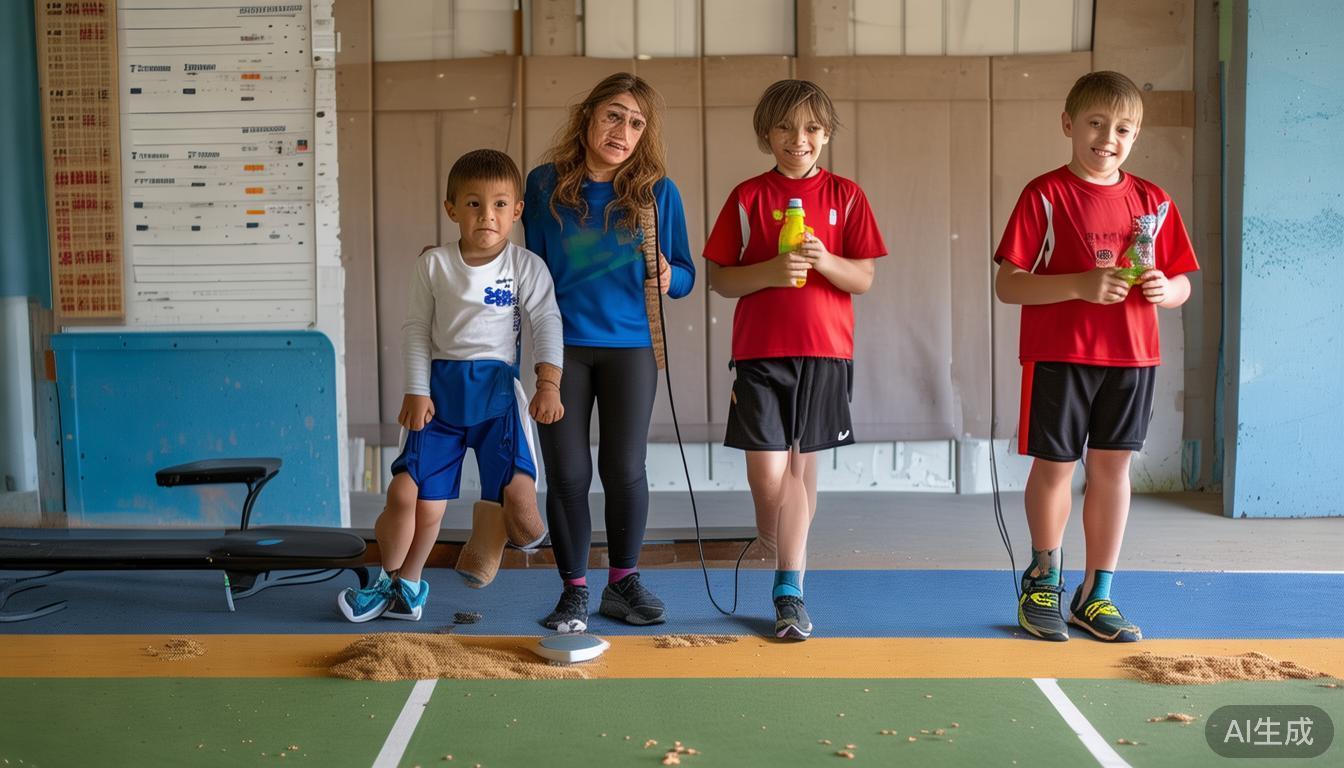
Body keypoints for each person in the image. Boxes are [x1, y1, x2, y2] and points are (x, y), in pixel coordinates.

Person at [994, 71, 1198, 643]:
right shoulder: (1046, 194)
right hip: (1059, 356)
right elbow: (1009, 285)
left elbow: (1182, 280)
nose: (1108, 137)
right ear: (1068, 124)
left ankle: (1097, 595)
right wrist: (1079, 284)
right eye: (1096, 123)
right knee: (1056, 468)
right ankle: (1042, 581)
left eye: (1123, 128)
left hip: (1133, 358)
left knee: (1113, 472)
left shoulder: (1153, 200)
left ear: (1136, 136)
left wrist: (1167, 290)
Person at [337, 149, 565, 622]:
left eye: (501, 204)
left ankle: (496, 531)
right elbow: (416, 330)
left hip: (497, 396)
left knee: (523, 512)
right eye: (474, 203)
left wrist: (549, 383)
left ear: (517, 211)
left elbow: (546, 322)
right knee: (409, 496)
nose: (488, 215)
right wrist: (416, 390)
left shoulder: (526, 267)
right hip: (439, 397)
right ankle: (396, 581)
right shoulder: (434, 265)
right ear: (451, 209)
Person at [703, 79, 886, 640]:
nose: (797, 138)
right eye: (783, 127)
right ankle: (777, 537)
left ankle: (789, 588)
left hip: (826, 352)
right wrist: (769, 272)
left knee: (803, 467)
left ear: (825, 134)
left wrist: (825, 260)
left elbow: (863, 277)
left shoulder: (848, 196)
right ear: (766, 134)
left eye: (809, 127)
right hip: (759, 352)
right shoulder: (747, 196)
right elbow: (719, 278)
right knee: (768, 470)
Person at [523, 72, 695, 633]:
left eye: (637, 122)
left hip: (632, 350)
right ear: (589, 116)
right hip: (562, 349)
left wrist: (671, 275)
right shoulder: (543, 185)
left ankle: (622, 582)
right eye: (615, 115)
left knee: (623, 469)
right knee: (567, 473)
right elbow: (526, 268)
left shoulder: (656, 192)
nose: (624, 130)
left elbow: (688, 273)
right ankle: (573, 591)